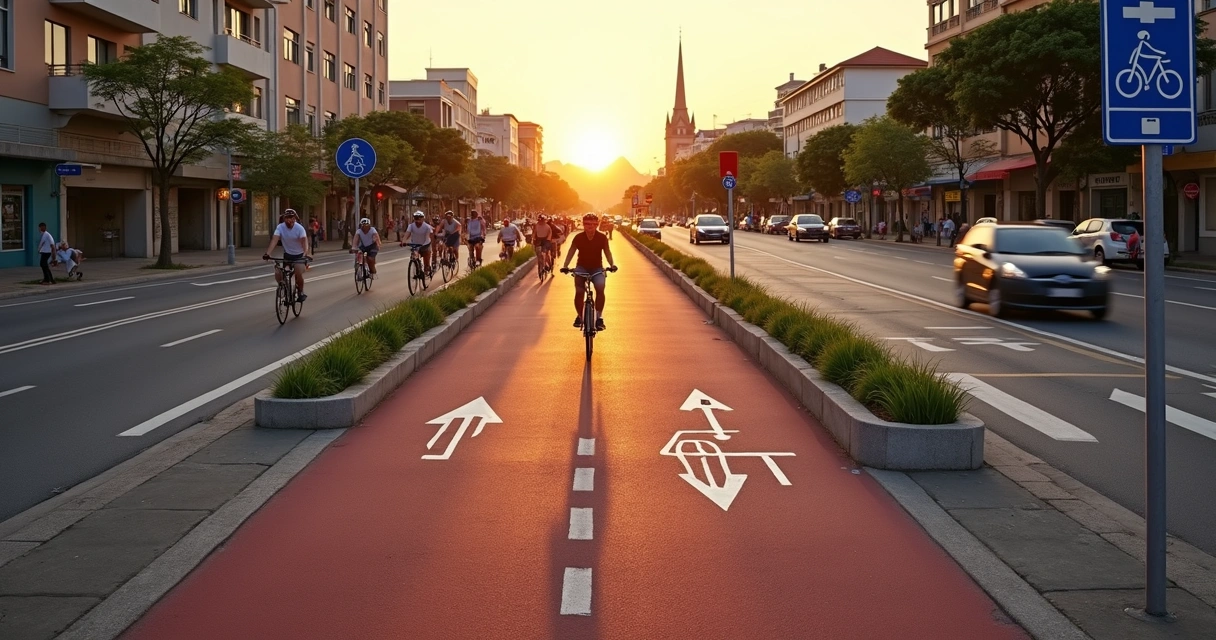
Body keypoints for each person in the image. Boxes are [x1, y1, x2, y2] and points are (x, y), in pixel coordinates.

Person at [561, 213, 617, 331]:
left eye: (592, 224)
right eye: (587, 224)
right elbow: (571, 251)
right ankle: (580, 316)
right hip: (581, 268)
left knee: (600, 287)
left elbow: (607, 252)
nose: (590, 227)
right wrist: (565, 266)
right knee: (579, 291)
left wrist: (612, 264)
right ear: (583, 224)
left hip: (597, 268)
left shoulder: (602, 237)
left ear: (597, 224)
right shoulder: (578, 238)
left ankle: (599, 317)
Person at [263, 208, 311, 302]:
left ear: (295, 219)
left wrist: (305, 253)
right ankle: (283, 287)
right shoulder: (280, 227)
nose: (290, 220)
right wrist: (267, 254)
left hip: (299, 256)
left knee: (298, 271)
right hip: (288, 255)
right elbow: (274, 240)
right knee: (278, 271)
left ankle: (300, 291)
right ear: (284, 219)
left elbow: (304, 242)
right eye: (287, 218)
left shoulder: (299, 228)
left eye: (292, 218)